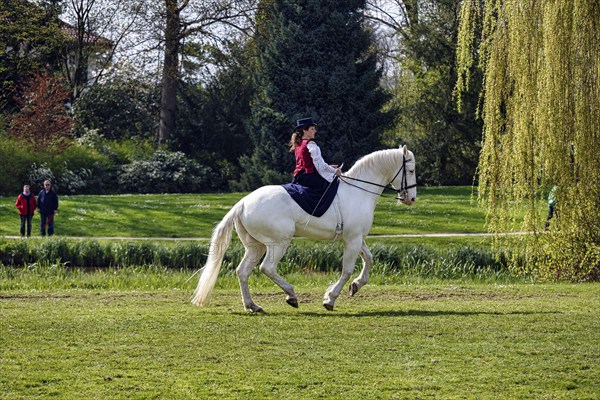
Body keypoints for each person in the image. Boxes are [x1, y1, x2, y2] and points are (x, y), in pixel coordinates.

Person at [289, 117, 342, 191]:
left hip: (298, 177)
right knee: (334, 187)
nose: (315, 131)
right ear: (305, 131)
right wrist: (335, 171)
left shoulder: (298, 144)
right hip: (310, 178)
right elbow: (320, 165)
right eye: (312, 129)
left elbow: (310, 164)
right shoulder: (310, 143)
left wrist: (329, 167)